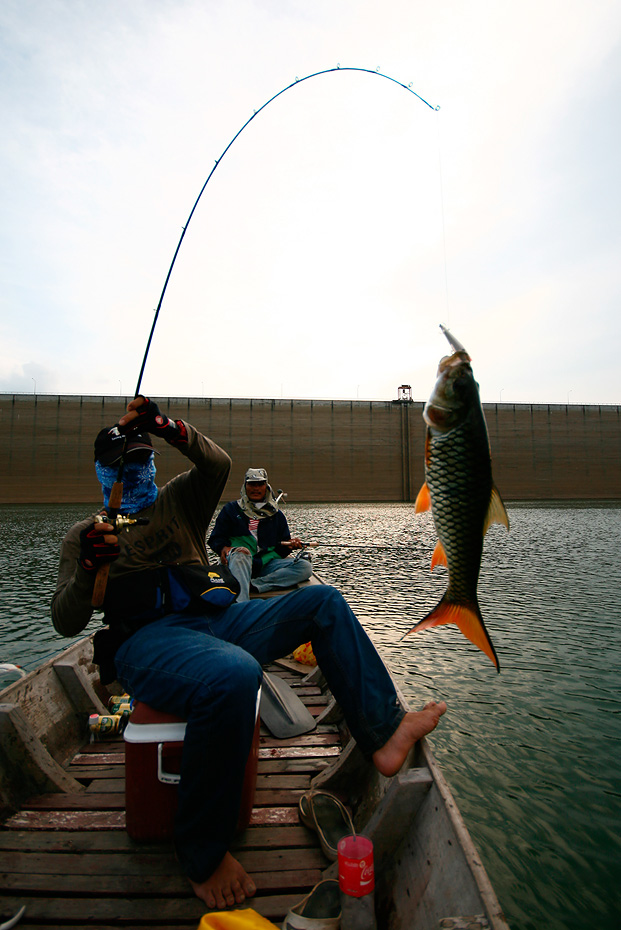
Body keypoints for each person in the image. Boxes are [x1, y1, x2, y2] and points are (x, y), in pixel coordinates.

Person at [51, 396, 447, 911]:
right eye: (127, 465)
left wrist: (168, 426)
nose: (140, 470)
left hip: (217, 619)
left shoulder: (180, 501)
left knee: (323, 602)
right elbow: (65, 621)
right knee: (235, 675)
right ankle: (201, 853)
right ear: (104, 472)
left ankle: (384, 732)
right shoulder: (86, 535)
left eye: (145, 459)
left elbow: (216, 463)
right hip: (148, 644)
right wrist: (87, 570)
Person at [208, 467, 312, 602]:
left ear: (266, 487)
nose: (255, 488)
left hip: (263, 565)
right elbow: (215, 538)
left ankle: (256, 585)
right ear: (245, 486)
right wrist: (223, 548)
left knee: (305, 567)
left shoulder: (277, 515)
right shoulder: (231, 510)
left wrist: (291, 545)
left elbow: (280, 548)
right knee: (242, 553)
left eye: (260, 484)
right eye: (251, 484)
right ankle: (242, 606)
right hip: (236, 562)